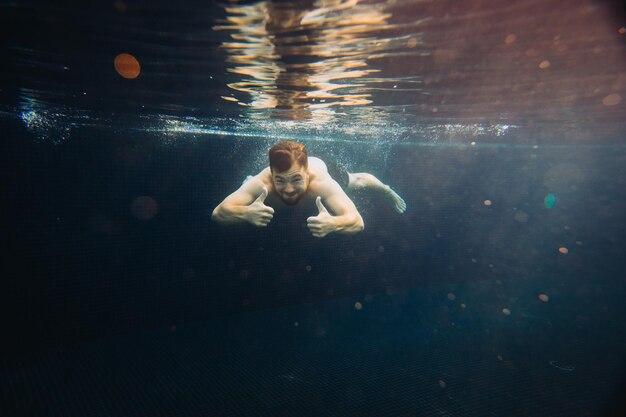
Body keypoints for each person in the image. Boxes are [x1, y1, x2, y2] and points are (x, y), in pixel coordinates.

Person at [211, 141, 406, 237]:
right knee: (253, 185)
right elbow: (218, 214)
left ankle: (386, 189)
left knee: (356, 181)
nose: (288, 189)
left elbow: (357, 222)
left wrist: (333, 224)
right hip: (267, 177)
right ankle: (249, 186)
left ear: (307, 174)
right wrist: (245, 213)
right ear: (272, 174)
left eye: (296, 180)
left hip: (324, 167)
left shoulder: (321, 183)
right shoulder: (264, 182)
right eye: (280, 181)